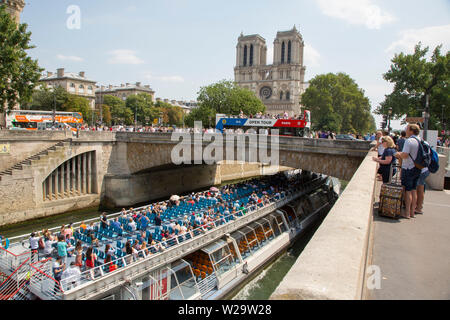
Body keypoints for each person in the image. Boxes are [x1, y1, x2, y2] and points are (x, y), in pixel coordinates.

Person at [395, 124, 422, 219]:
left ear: (411, 131)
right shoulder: (420, 140)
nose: (405, 131)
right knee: (414, 190)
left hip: (408, 168)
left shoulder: (409, 141)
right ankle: (412, 212)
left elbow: (405, 155)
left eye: (407, 129)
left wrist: (398, 154)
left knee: (407, 191)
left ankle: (406, 213)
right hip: (417, 168)